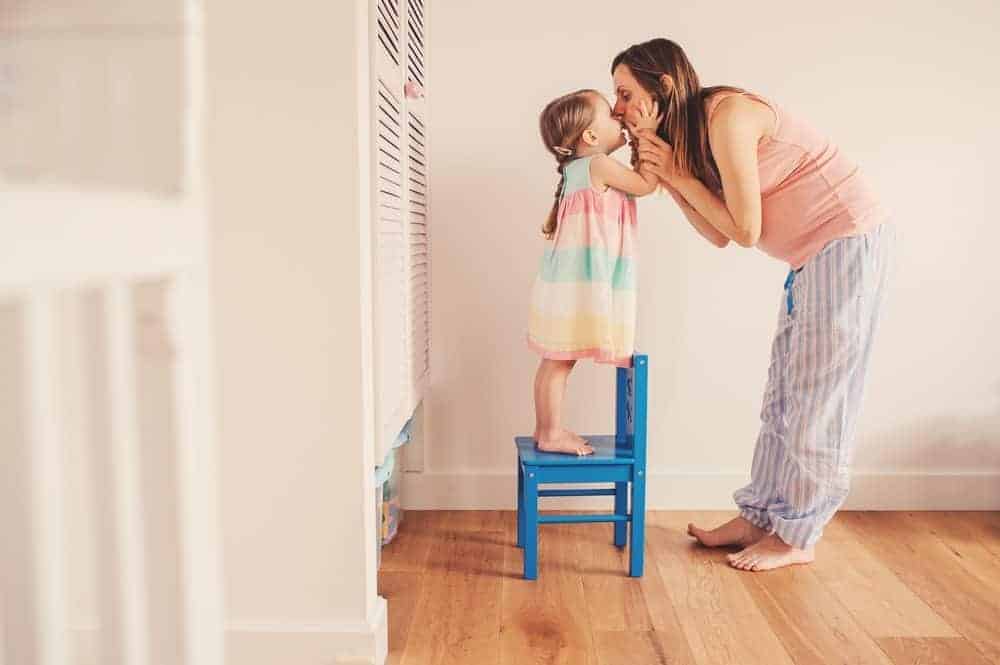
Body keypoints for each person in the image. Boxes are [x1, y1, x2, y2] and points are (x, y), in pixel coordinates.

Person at [612, 38, 894, 570]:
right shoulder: (693, 136)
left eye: (625, 94)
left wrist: (677, 175)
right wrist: (672, 177)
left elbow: (744, 230)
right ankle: (761, 516)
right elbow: (716, 231)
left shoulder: (729, 117)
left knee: (818, 398)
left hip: (847, 243)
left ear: (664, 87)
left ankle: (797, 536)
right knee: (784, 393)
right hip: (811, 256)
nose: (617, 109)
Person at [528, 89, 660, 456]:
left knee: (555, 360)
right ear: (590, 136)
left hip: (563, 284)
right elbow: (646, 185)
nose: (620, 118)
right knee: (558, 362)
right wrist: (647, 134)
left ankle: (546, 429)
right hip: (576, 286)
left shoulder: (579, 169)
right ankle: (551, 432)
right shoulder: (598, 165)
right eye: (610, 114)